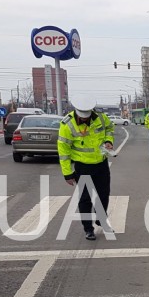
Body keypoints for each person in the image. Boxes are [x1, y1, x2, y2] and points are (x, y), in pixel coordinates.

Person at [57, 96, 115, 241]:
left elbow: (110, 128)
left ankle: (101, 219)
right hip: (82, 167)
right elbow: (63, 151)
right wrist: (67, 174)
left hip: (101, 163)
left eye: (86, 117)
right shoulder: (67, 125)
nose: (84, 120)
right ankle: (88, 229)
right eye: (81, 118)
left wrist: (108, 141)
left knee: (103, 195)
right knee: (85, 199)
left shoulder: (101, 118)